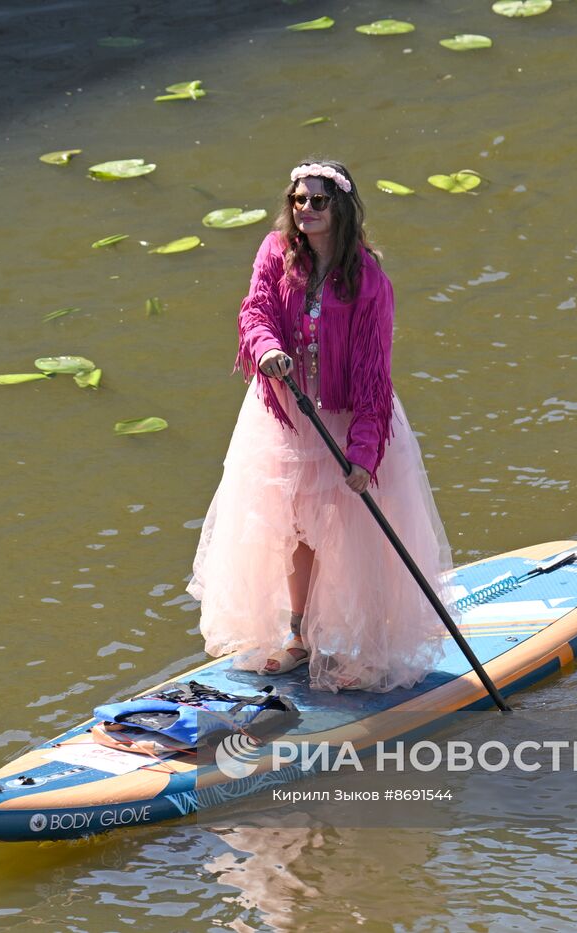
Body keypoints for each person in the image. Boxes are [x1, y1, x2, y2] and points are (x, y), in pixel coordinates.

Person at [187, 159, 458, 693]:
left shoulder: (370, 284)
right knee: (292, 527)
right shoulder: (275, 253)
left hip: (345, 417)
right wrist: (266, 350)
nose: (305, 209)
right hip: (286, 414)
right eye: (298, 200)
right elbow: (256, 311)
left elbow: (373, 378)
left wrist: (361, 455)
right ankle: (297, 639)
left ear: (342, 209)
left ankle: (373, 649)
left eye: (317, 201)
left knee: (356, 535)